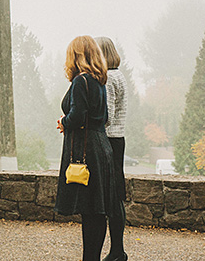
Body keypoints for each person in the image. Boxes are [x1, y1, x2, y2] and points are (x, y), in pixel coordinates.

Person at [54, 36, 119, 261]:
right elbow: (105, 117)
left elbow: (79, 116)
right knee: (96, 209)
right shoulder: (99, 81)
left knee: (89, 209)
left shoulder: (81, 81)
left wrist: (64, 122)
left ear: (76, 56)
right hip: (101, 147)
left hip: (86, 150)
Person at [95, 37, 128, 261]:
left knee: (111, 198)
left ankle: (117, 251)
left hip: (109, 140)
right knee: (116, 196)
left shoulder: (108, 79)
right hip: (119, 139)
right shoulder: (120, 76)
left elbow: (107, 117)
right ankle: (118, 249)